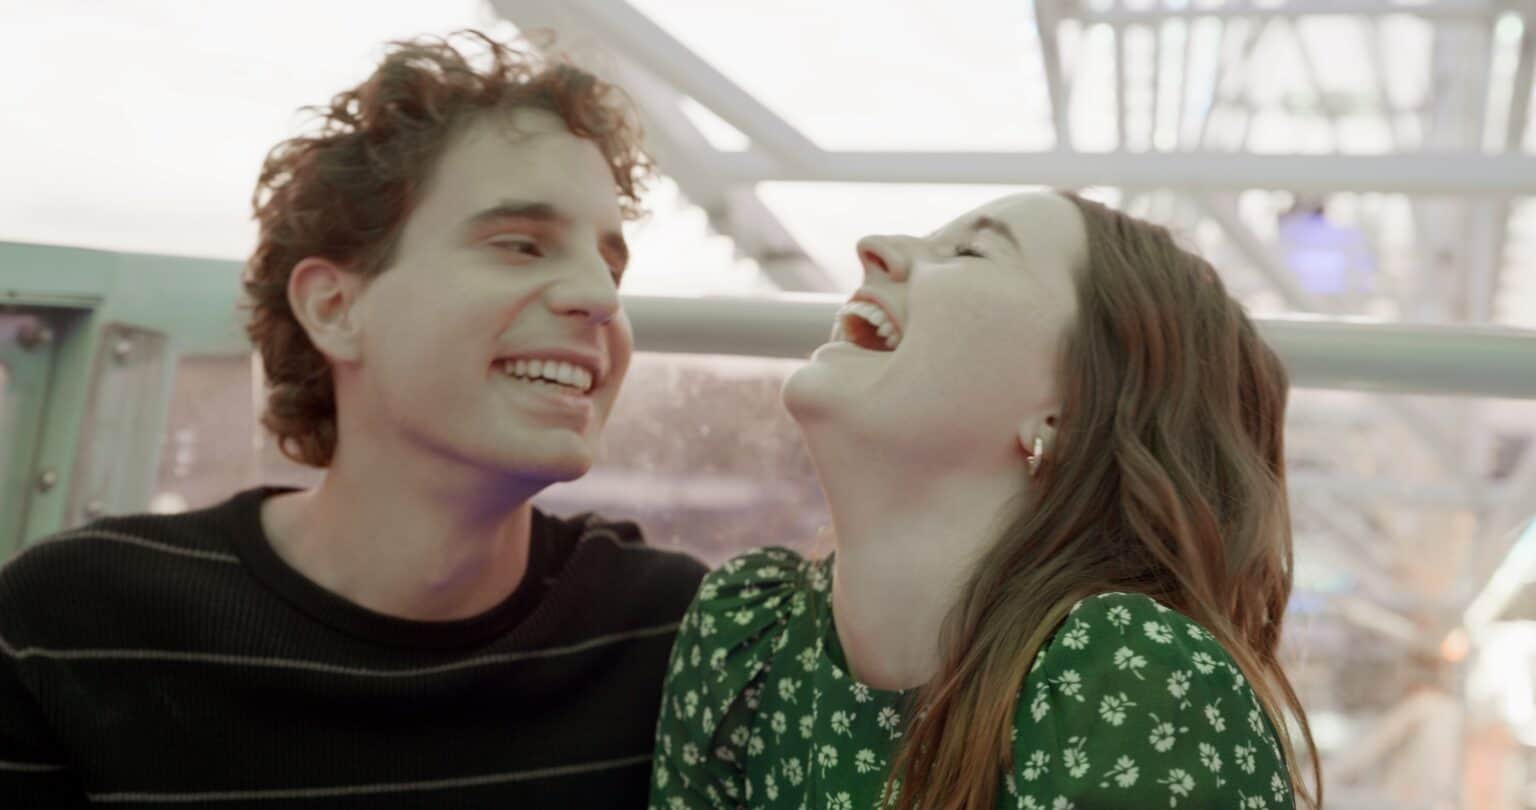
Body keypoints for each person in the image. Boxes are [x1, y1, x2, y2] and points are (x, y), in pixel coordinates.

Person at [0, 31, 706, 806]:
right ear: (335, 308)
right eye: (522, 246)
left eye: (611, 266)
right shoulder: (68, 628)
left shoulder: (679, 637)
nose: (600, 298)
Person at [651, 190, 1321, 809]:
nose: (874, 248)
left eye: (971, 251)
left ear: (1069, 413)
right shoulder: (745, 637)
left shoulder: (1135, 679)